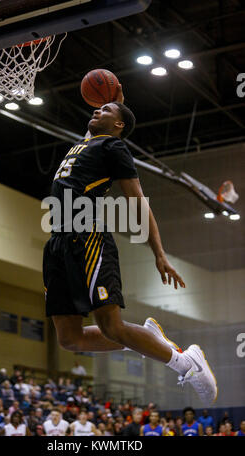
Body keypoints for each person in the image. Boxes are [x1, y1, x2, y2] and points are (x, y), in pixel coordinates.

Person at [42, 84, 217, 406]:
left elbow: (138, 203)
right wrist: (115, 101)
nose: (97, 111)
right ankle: (146, 340)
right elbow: (103, 117)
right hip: (57, 243)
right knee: (69, 339)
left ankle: (186, 362)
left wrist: (159, 254)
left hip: (88, 236)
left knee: (111, 326)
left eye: (106, 111)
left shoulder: (113, 147)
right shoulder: (88, 143)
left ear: (119, 126)